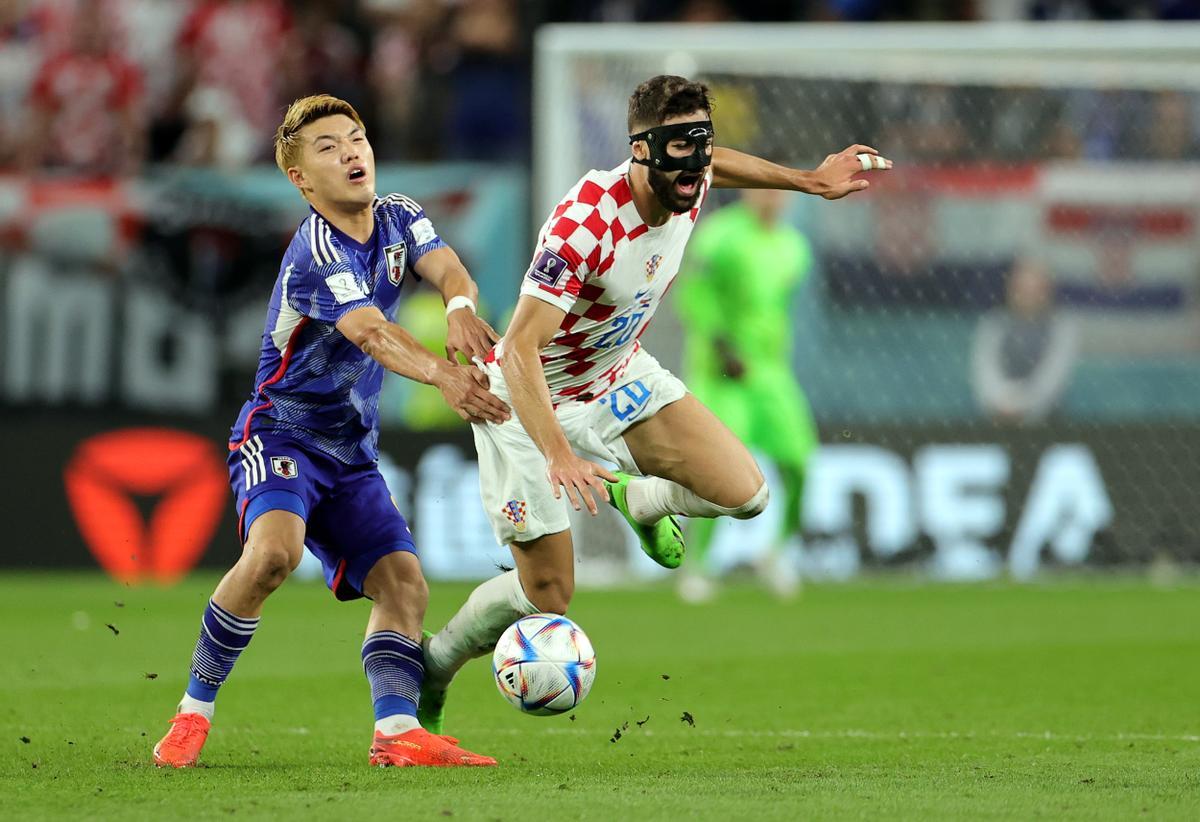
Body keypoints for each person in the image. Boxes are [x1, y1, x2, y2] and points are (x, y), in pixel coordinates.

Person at [418, 75, 889, 733]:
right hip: (529, 398)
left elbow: (715, 164)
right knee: (547, 594)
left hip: (615, 376)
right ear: (640, 150)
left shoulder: (688, 184)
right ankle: (434, 665)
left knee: (745, 494)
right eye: (678, 148)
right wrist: (558, 453)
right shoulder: (587, 223)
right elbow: (521, 349)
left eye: (703, 144)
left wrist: (809, 181)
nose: (696, 163)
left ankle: (641, 498)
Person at [152, 94, 509, 770]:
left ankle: (397, 732)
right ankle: (191, 714)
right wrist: (445, 377)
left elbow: (447, 265)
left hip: (351, 451)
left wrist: (460, 304)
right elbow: (371, 332)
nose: (351, 151)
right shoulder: (318, 248)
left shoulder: (400, 215)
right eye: (328, 147)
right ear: (301, 179)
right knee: (274, 557)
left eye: (357, 137)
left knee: (405, 584)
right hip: (281, 433)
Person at [674, 186, 817, 602]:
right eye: (763, 190)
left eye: (780, 192)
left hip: (771, 374)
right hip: (723, 373)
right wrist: (721, 345)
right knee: (719, 473)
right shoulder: (720, 237)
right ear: (748, 192)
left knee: (800, 463)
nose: (771, 199)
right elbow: (695, 294)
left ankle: (775, 553)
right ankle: (698, 565)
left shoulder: (795, 248)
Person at [971, 258, 1078, 425]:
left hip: (1048, 421)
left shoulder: (1063, 327)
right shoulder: (994, 323)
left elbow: (1052, 377)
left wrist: (1024, 406)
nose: (1028, 296)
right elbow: (985, 371)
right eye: (1021, 289)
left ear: (1048, 292)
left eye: (1036, 290)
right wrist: (1002, 403)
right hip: (996, 416)